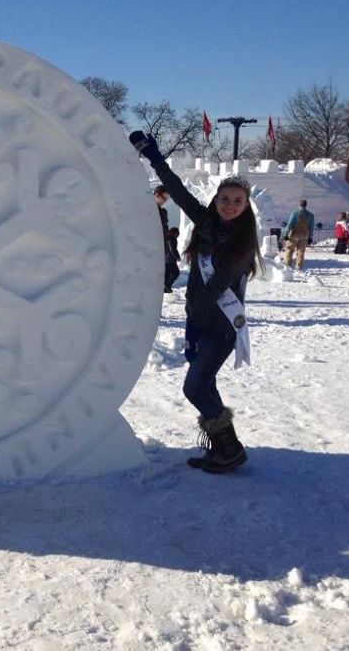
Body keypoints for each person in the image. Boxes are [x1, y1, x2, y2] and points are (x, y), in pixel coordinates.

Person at [132, 131, 261, 473]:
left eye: (238, 201)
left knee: (194, 388)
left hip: (220, 327)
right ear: (217, 200)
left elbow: (217, 286)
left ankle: (228, 448)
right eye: (225, 199)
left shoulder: (243, 241)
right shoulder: (205, 223)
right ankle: (225, 449)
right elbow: (177, 190)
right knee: (206, 385)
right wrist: (155, 158)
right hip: (200, 322)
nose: (230, 205)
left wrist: (191, 318)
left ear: (246, 205)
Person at [153, 185, 181, 293]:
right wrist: (168, 235)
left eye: (166, 199)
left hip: (162, 249)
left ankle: (165, 289)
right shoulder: (151, 211)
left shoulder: (162, 211)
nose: (165, 201)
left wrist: (169, 234)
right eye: (164, 198)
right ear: (156, 195)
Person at [283, 199, 314, 270]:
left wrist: (285, 234)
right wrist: (310, 237)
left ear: (299, 205)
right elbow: (311, 227)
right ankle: (299, 266)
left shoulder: (295, 213)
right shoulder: (311, 215)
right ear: (306, 205)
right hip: (304, 235)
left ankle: (287, 265)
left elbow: (289, 225)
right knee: (301, 251)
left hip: (294, 235)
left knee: (289, 250)